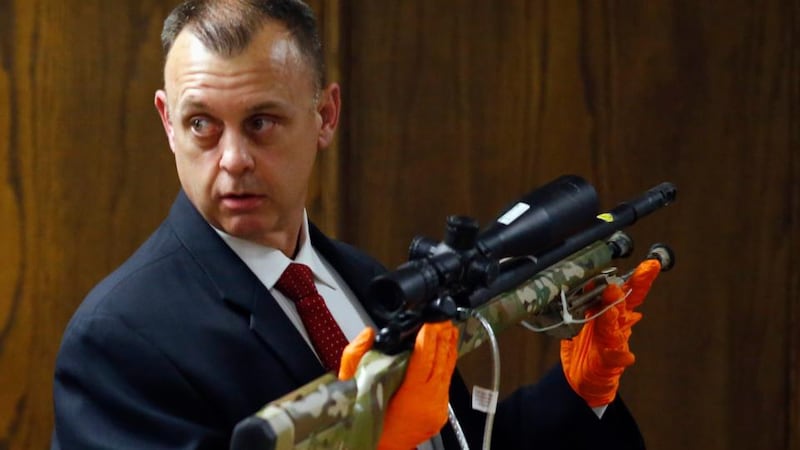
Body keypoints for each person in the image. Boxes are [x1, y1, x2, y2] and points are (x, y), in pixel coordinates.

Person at [51, 1, 654, 449]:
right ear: (168, 124)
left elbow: (463, 441)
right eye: (202, 124)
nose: (232, 159)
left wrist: (582, 396)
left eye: (261, 122)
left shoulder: (362, 279)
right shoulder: (118, 340)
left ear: (325, 116)